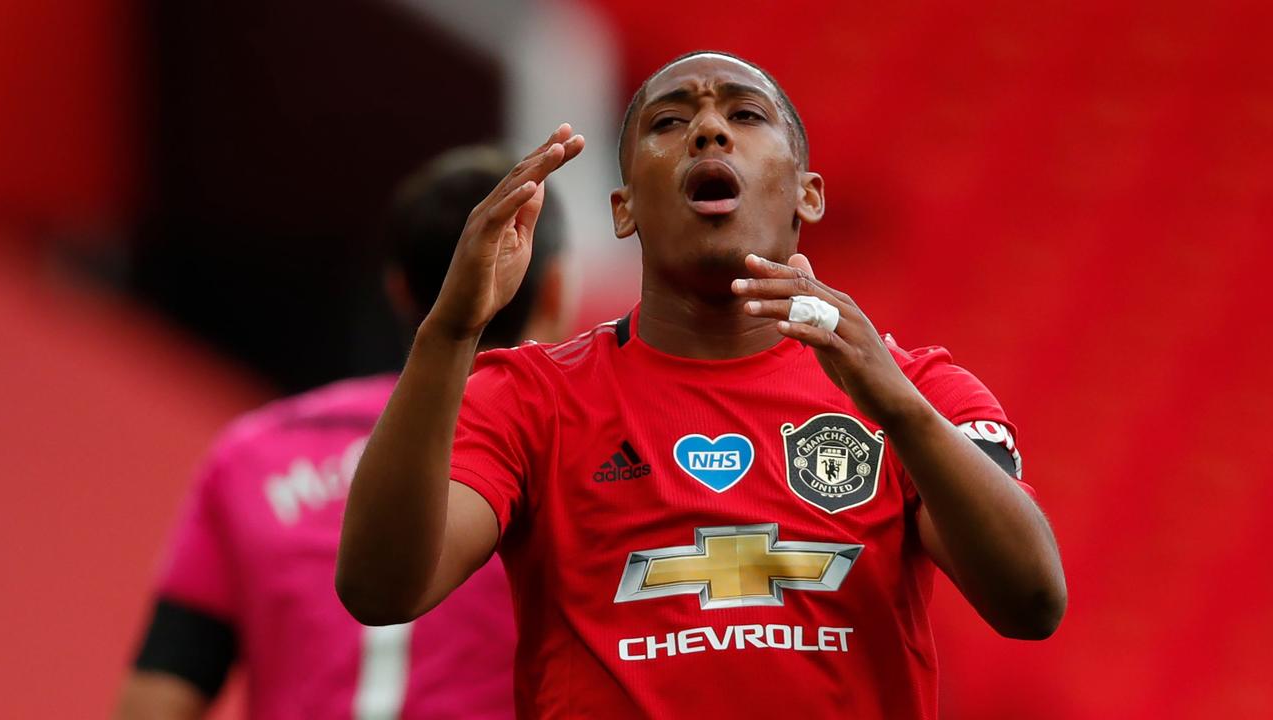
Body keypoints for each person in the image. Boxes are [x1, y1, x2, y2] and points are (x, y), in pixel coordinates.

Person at [337, 51, 1067, 719]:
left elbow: (1031, 601)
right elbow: (382, 589)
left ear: (807, 196)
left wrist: (901, 412)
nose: (709, 131)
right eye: (670, 120)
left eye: (745, 115)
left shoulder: (920, 391)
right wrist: (450, 334)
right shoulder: (532, 398)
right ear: (622, 211)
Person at [117, 146, 571, 720]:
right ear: (555, 289)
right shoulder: (571, 448)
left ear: (398, 290)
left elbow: (157, 698)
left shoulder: (252, 453)